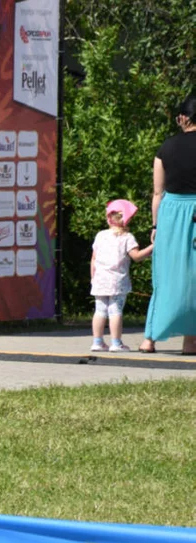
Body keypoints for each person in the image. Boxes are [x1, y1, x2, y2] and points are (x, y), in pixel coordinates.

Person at [139, 93, 196, 355]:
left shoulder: (166, 147)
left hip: (171, 212)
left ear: (184, 118)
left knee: (164, 275)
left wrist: (155, 227)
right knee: (193, 278)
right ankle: (190, 341)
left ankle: (148, 339)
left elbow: (157, 193)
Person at [90, 199, 153, 352]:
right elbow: (136, 256)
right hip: (117, 282)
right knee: (115, 311)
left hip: (100, 280)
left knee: (100, 311)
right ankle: (116, 343)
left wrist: (93, 278)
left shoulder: (100, 235)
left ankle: (97, 342)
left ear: (108, 218)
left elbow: (93, 259)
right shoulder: (127, 237)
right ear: (127, 219)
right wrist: (153, 247)